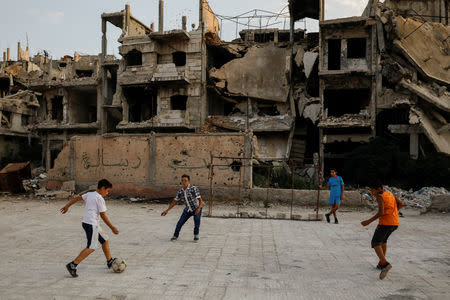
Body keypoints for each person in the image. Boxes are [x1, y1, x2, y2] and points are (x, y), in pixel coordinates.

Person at [60, 179, 119, 277]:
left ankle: (109, 261)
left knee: (105, 240)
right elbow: (103, 216)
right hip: (92, 224)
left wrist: (67, 206)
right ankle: (73, 264)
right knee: (91, 247)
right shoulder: (100, 198)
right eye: (107, 191)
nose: (107, 193)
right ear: (103, 188)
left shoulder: (91, 194)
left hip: (88, 223)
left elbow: (77, 198)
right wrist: (112, 227)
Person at [361, 181, 403, 280]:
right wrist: (393, 212)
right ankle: (381, 262)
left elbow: (381, 212)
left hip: (385, 223)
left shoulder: (380, 197)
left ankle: (385, 264)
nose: (371, 191)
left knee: (375, 242)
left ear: (378, 189)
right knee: (383, 241)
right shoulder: (389, 193)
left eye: (372, 190)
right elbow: (400, 204)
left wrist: (368, 221)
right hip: (394, 223)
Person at [161, 174, 203, 242]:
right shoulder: (181, 191)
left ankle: (196, 236)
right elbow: (174, 201)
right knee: (180, 223)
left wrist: (198, 209)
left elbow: (200, 200)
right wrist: (167, 210)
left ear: (188, 181)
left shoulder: (193, 188)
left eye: (185, 181)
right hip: (187, 210)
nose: (183, 182)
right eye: (182, 181)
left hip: (196, 208)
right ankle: (175, 236)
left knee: (197, 223)